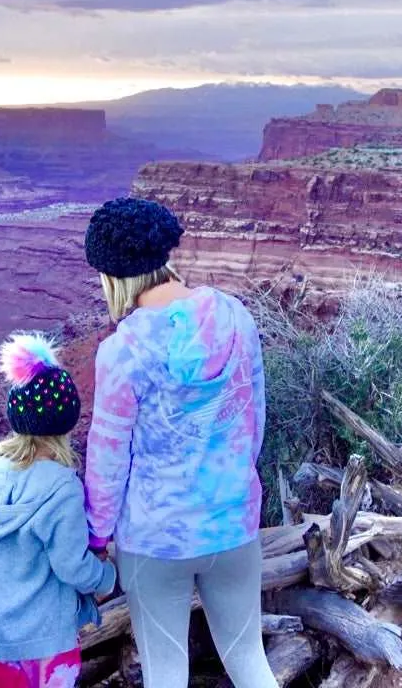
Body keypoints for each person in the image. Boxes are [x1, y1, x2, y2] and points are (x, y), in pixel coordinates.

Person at [82, 197, 277, 688]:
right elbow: (254, 418)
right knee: (249, 661)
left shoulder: (122, 350)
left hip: (155, 539)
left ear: (113, 276)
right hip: (232, 522)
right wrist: (235, 485)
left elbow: (108, 459)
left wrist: (97, 537)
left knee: (166, 675)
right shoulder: (236, 316)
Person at [0, 334, 118, 688]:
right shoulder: (61, 487)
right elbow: (72, 566)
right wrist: (107, 576)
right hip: (45, 638)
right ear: (66, 419)